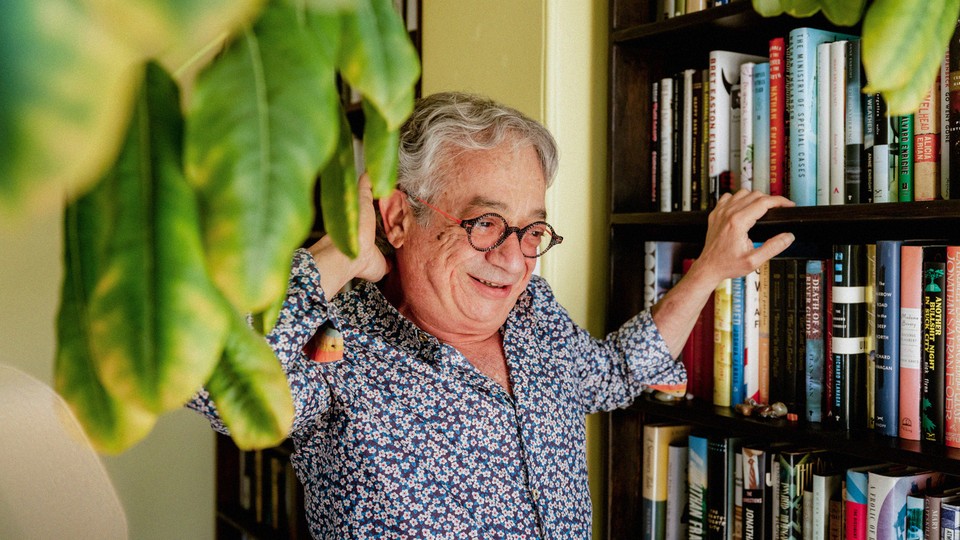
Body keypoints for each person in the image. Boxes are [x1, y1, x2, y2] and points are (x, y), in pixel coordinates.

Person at [190, 92, 795, 538]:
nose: (512, 259)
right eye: (484, 223)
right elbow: (206, 373)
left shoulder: (532, 313)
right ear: (399, 218)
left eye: (531, 230)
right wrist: (341, 249)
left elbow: (610, 375)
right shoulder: (337, 339)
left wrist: (709, 270)